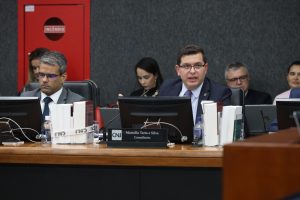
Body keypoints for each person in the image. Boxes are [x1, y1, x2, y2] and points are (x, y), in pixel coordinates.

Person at [159, 44, 231, 123]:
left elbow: (231, 127)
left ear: (205, 68)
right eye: (186, 66)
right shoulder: (167, 88)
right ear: (178, 70)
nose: (192, 71)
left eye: (198, 65)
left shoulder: (220, 93)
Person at [21, 51, 85, 120]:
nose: (44, 80)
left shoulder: (77, 103)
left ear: (63, 77)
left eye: (51, 76)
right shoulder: (25, 98)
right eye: (41, 75)